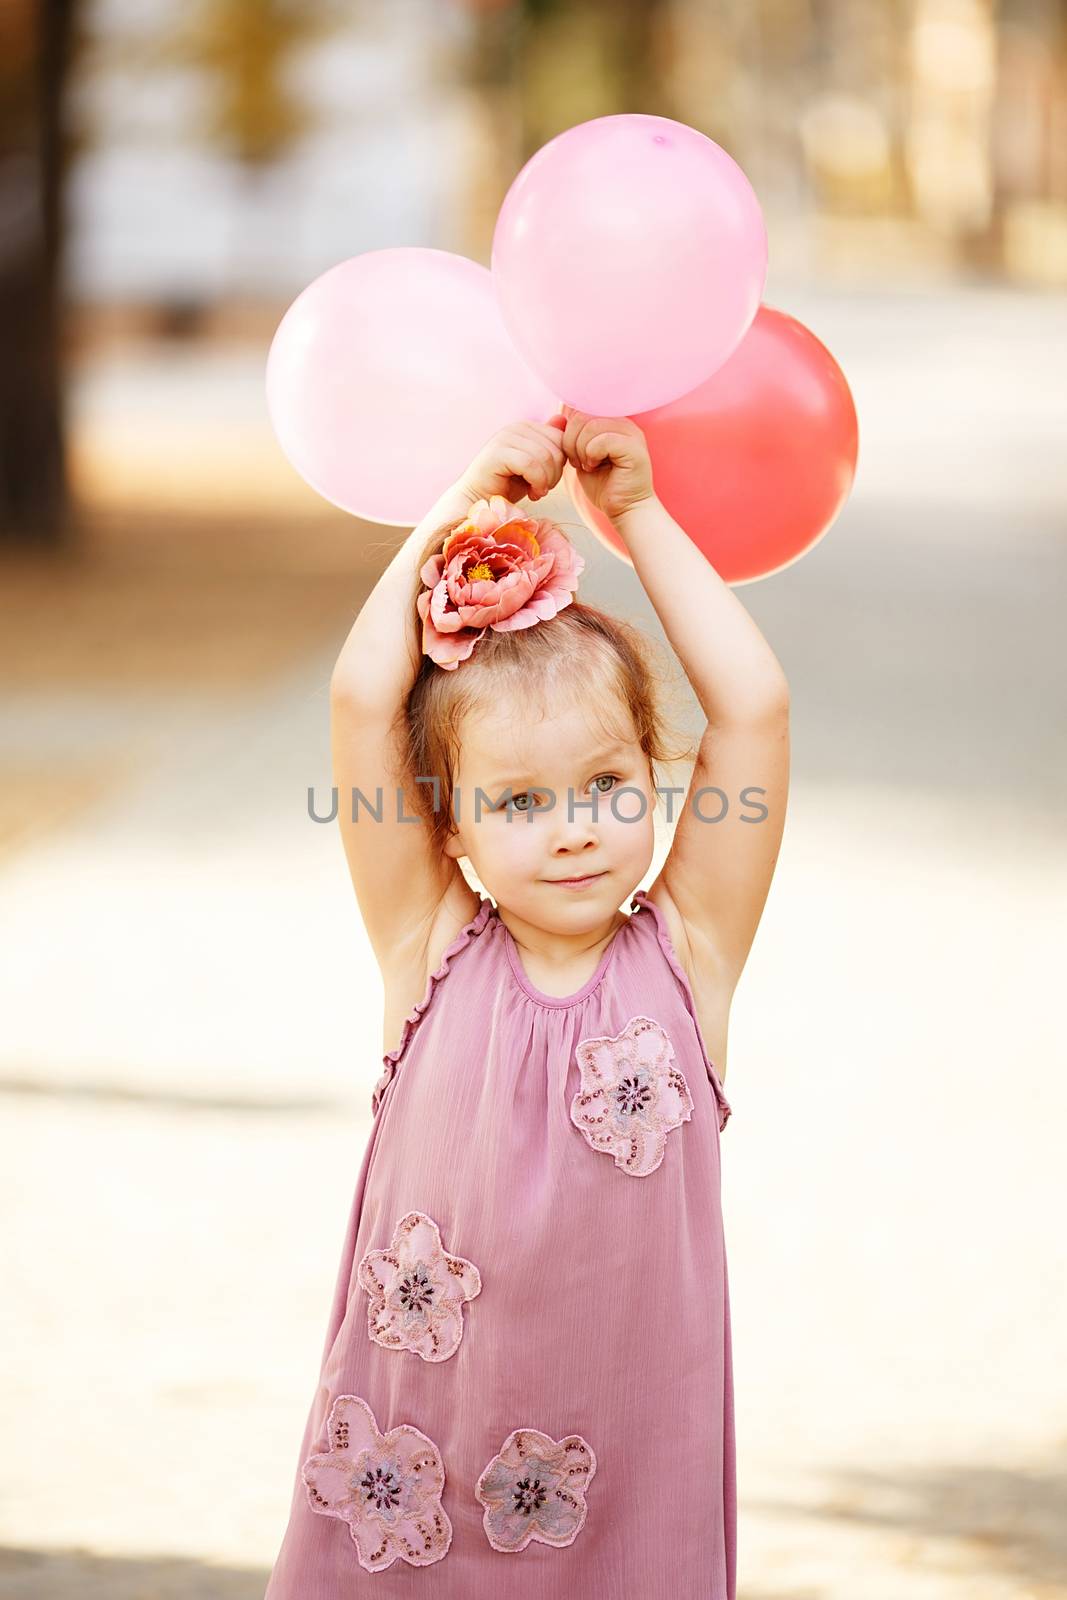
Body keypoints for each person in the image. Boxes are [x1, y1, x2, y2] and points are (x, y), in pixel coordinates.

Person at [264, 406, 790, 1597]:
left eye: (606, 784)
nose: (572, 830)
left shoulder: (686, 955)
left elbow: (752, 707)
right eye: (515, 803)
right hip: (426, 1477)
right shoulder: (428, 946)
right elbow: (361, 699)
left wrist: (638, 516)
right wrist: (460, 502)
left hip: (627, 1493)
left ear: (655, 777)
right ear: (447, 828)